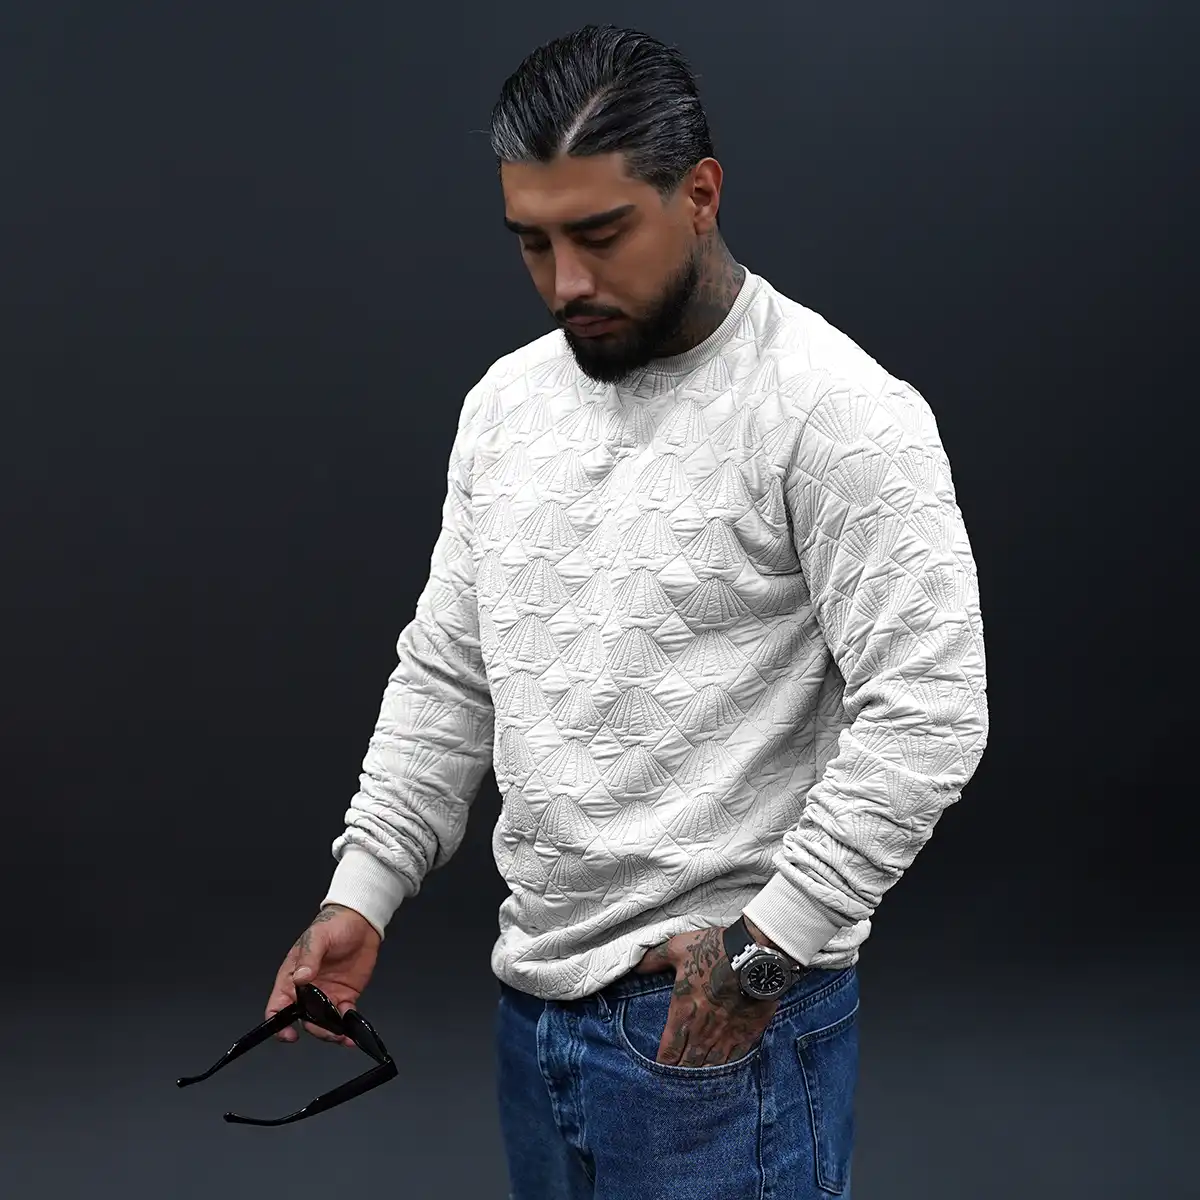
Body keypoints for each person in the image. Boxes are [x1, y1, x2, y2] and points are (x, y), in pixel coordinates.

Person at [263, 23, 989, 1199]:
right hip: (534, 1011)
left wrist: (763, 958)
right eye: (533, 242)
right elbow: (451, 673)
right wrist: (365, 894)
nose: (566, 284)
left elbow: (932, 711)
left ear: (699, 196)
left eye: (600, 236)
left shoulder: (836, 411)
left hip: (725, 1030)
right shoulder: (505, 407)